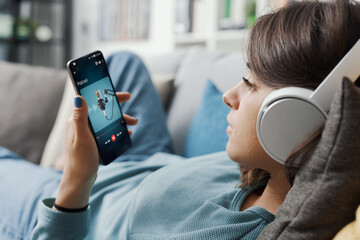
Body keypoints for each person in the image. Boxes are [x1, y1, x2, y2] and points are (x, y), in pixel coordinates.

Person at [0, 0, 359, 239]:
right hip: (148, 163)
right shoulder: (263, 170)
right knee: (122, 61)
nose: (228, 95)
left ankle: (65, 166)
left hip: (83, 202)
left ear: (293, 118)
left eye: (249, 84)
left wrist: (75, 182)